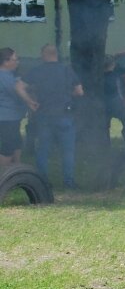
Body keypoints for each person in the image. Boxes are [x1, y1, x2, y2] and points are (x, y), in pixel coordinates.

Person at [15, 44, 83, 188]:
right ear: (56, 54)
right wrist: (66, 95)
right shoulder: (66, 70)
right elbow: (79, 92)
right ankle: (69, 182)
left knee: (43, 150)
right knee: (68, 151)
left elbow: (19, 86)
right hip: (64, 115)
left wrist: (29, 101)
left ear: (44, 54)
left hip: (44, 115)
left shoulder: (37, 71)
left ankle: (42, 182)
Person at [0, 48, 26, 166]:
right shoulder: (3, 77)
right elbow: (17, 94)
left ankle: (16, 169)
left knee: (16, 142)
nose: (17, 62)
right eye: (15, 59)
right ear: (6, 61)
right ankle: (4, 177)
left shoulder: (10, 75)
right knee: (8, 148)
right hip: (6, 118)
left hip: (13, 117)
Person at [103, 56, 125, 147]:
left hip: (104, 104)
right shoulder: (117, 77)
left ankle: (107, 145)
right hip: (116, 103)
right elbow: (124, 90)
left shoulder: (98, 78)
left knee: (105, 126)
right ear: (113, 65)